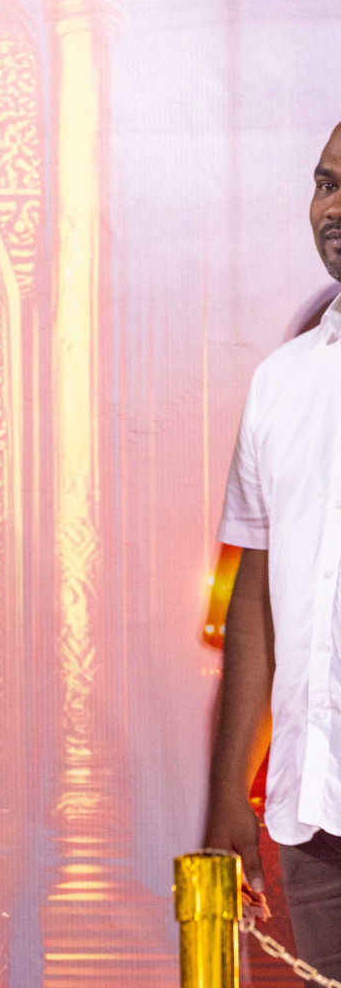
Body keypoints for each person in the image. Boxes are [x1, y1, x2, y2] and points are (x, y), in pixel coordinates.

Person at [204, 121, 341, 977]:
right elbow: (252, 602)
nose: (334, 207)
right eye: (325, 183)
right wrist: (227, 799)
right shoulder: (281, 384)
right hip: (315, 816)